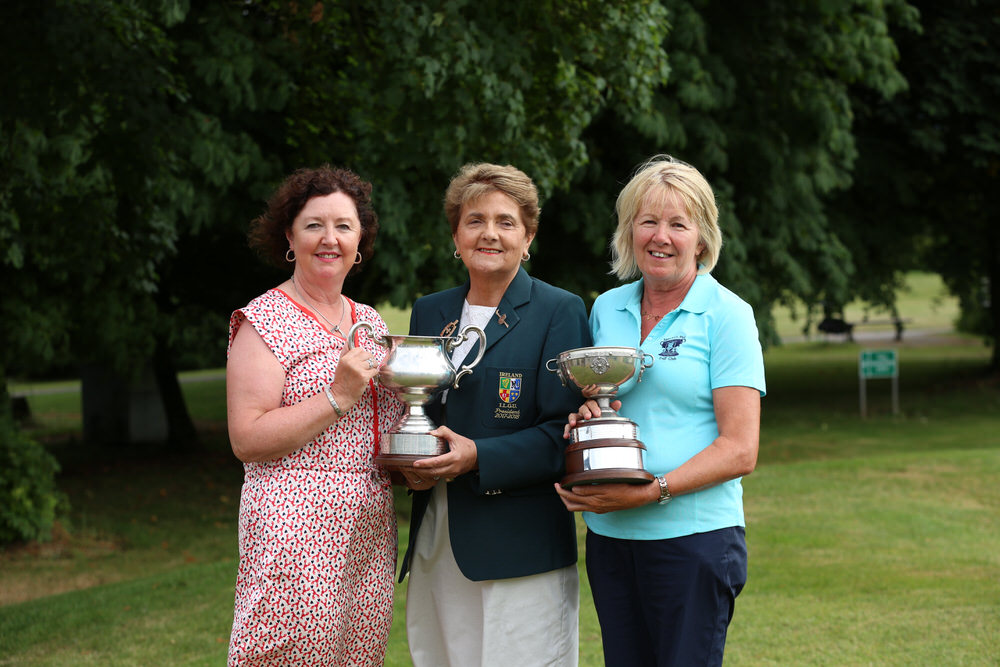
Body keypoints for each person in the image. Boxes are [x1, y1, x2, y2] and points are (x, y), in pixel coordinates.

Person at [555, 155, 766, 667]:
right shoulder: (606, 307)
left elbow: (740, 449)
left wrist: (653, 492)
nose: (660, 236)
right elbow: (597, 400)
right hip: (610, 538)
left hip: (693, 541)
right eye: (647, 221)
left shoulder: (728, 315)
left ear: (702, 236)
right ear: (630, 232)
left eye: (678, 223)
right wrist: (584, 421)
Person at [398, 163, 591, 666]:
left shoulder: (559, 310)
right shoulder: (429, 312)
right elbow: (417, 411)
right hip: (437, 537)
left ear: (528, 238)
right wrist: (411, 462)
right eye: (475, 220)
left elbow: (561, 435)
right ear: (456, 236)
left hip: (520, 545)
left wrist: (477, 455)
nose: (490, 233)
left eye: (506, 222)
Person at [225, 165, 404, 666]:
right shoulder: (264, 321)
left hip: (367, 527)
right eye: (313, 225)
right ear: (289, 236)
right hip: (293, 527)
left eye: (344, 226)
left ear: (360, 239)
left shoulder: (369, 321)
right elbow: (246, 437)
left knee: (358, 656)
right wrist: (336, 396)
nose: (330, 239)